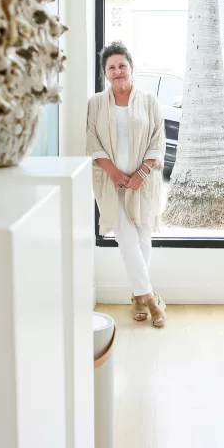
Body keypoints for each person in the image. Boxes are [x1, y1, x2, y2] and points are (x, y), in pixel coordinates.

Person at [87, 41, 167, 327]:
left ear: (131, 68)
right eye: (111, 67)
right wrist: (114, 172)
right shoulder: (96, 103)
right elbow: (92, 142)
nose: (117, 71)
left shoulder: (148, 100)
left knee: (144, 239)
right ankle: (151, 300)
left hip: (143, 183)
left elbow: (159, 140)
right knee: (127, 237)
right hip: (110, 183)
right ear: (105, 73)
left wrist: (141, 173)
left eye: (122, 65)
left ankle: (137, 299)